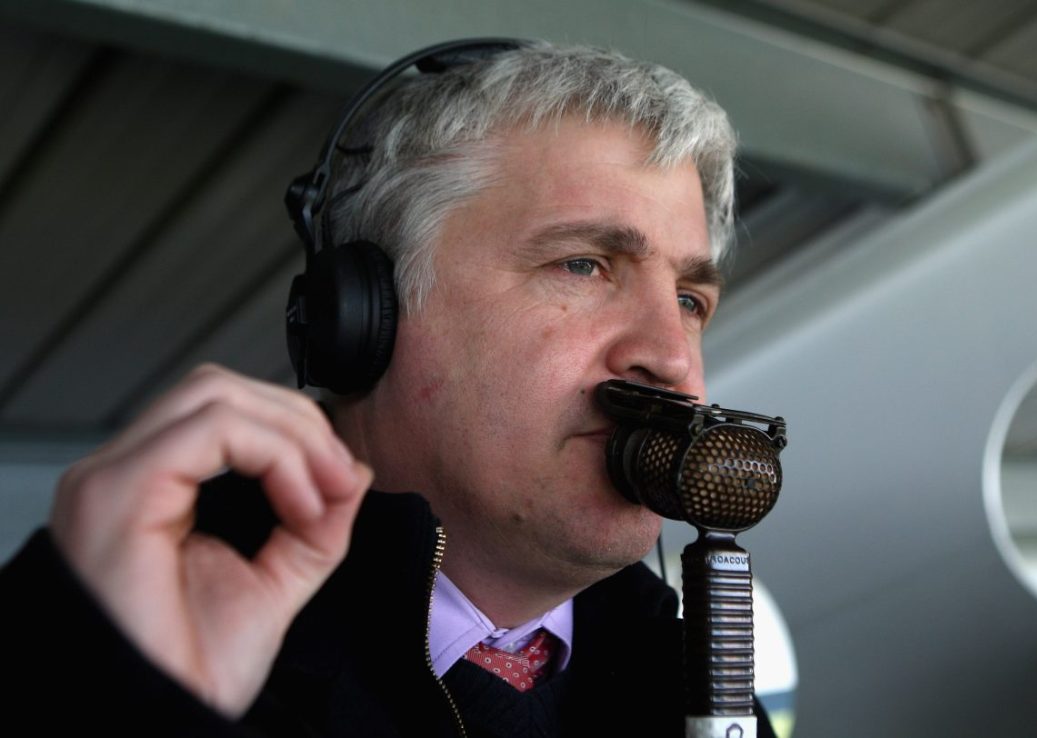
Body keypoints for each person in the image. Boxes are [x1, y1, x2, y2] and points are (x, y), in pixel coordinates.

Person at [2, 39, 777, 737]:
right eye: (582, 264)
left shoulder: (698, 685)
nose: (672, 360)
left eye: (688, 300)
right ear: (362, 318)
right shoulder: (96, 648)